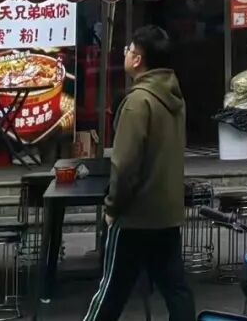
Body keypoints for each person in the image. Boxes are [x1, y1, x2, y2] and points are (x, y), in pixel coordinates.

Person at [82, 25, 195, 321]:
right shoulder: (174, 98)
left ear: (138, 59)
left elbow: (125, 165)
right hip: (166, 214)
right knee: (176, 289)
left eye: (128, 49)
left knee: (111, 290)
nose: (125, 53)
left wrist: (112, 208)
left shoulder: (138, 102)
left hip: (134, 216)